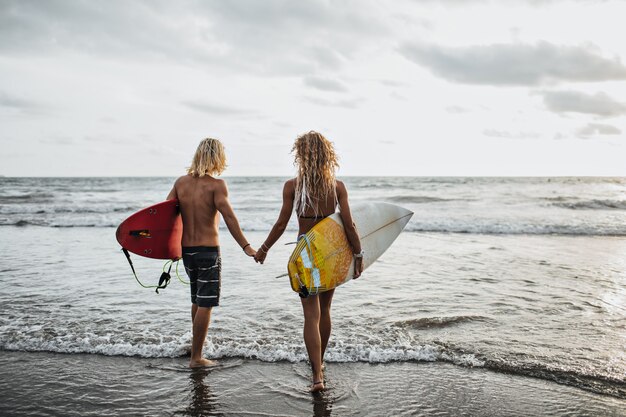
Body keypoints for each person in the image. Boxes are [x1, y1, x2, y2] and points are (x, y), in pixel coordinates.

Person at [254, 131, 363, 392]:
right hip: (331, 253)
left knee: (310, 315)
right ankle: (320, 363)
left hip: (306, 254)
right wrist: (358, 256)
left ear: (301, 155)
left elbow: (281, 223)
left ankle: (317, 376)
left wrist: (264, 248)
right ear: (327, 155)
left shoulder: (293, 186)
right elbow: (349, 225)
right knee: (325, 311)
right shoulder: (336, 187)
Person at [167, 138, 256, 368]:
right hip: (208, 252)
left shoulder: (180, 183)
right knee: (206, 304)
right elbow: (230, 218)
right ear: (217, 157)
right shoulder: (217, 185)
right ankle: (196, 358)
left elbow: (166, 217)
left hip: (187, 253)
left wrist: (168, 249)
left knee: (197, 299)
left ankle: (196, 347)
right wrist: (246, 247)